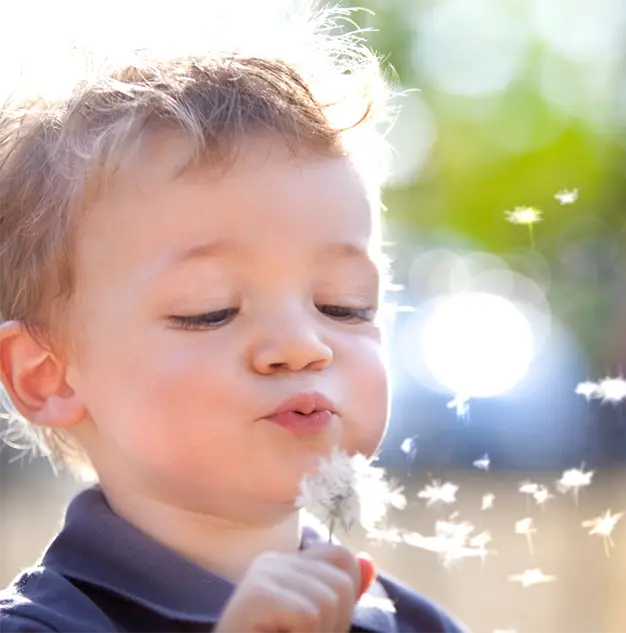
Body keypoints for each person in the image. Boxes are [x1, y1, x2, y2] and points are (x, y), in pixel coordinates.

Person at [0, 3, 470, 632]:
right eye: (211, 311)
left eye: (342, 305)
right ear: (48, 375)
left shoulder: (416, 624)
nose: (303, 346)